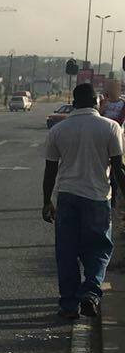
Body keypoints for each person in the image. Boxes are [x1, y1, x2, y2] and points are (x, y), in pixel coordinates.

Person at [42, 82, 125, 319]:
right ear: (96, 102)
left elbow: (50, 171)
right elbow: (118, 169)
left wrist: (47, 201)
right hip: (98, 197)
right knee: (98, 249)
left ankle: (68, 305)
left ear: (74, 103)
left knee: (66, 252)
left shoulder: (59, 130)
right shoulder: (110, 128)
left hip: (67, 197)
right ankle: (90, 293)